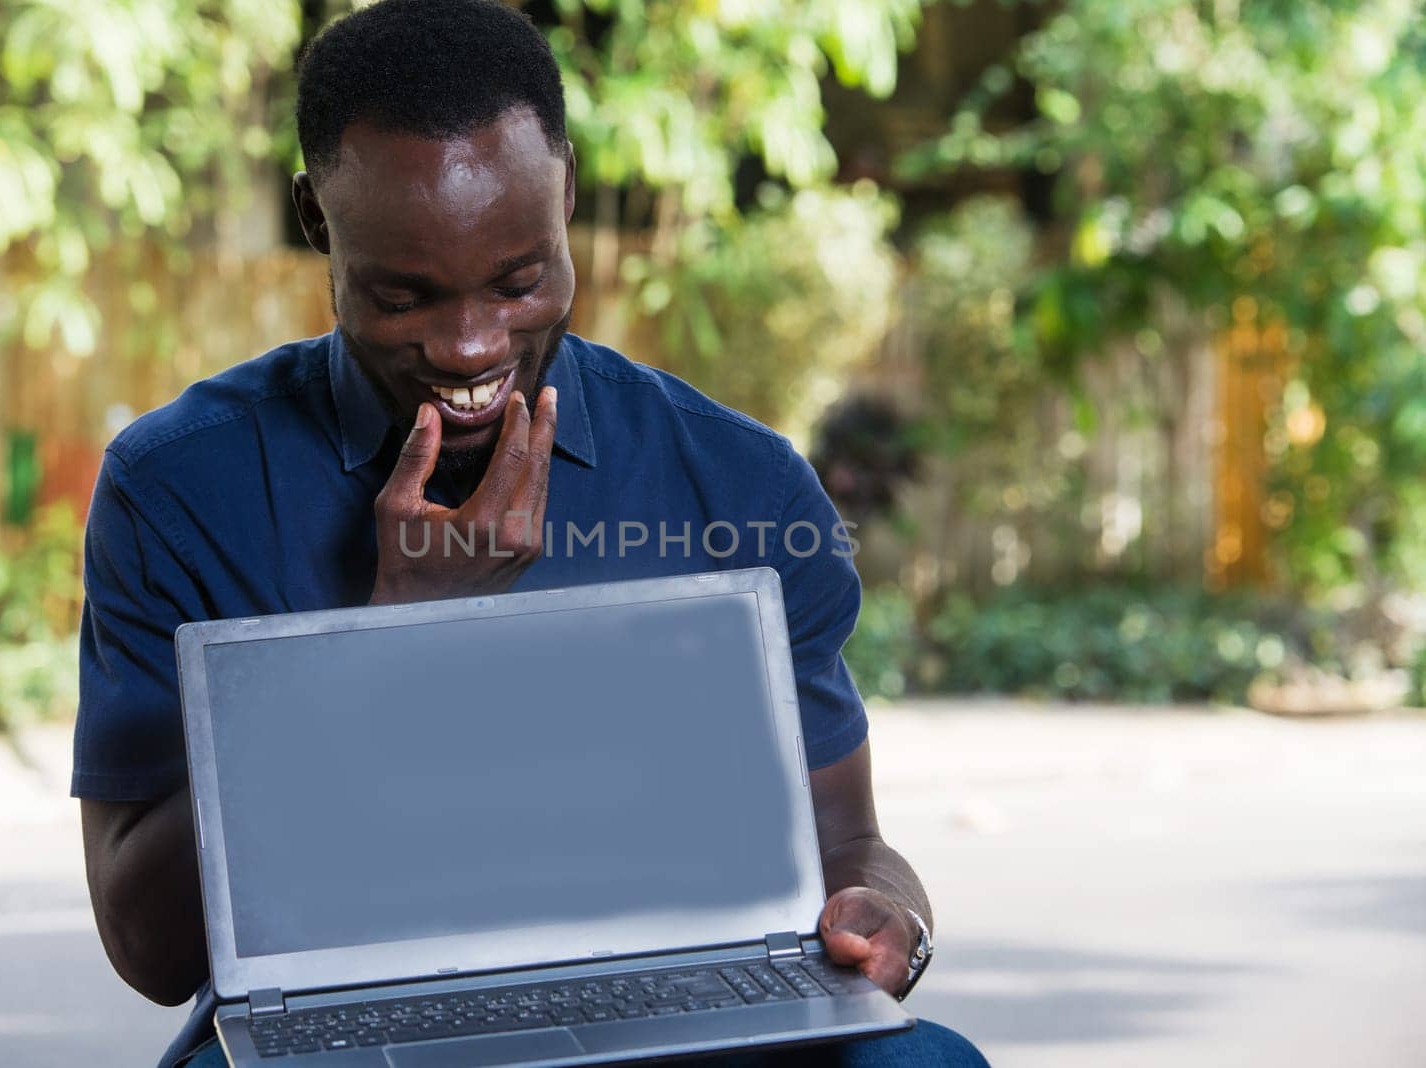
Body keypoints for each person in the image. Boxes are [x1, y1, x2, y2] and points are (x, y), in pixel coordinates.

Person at [74, 2, 988, 1065]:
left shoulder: (733, 482)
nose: (469, 345)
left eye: (519, 282)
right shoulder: (179, 488)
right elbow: (148, 948)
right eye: (404, 296)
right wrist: (394, 639)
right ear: (316, 220)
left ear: (564, 194)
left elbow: (851, 851)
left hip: (681, 1031)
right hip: (352, 1035)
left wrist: (888, 920)